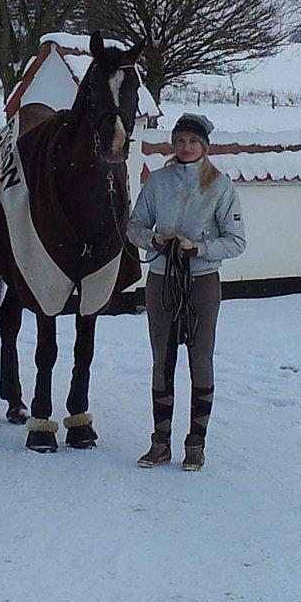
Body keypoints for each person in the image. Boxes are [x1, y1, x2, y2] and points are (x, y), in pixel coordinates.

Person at [127, 113, 246, 471]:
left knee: (200, 358)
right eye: (180, 140)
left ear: (204, 146)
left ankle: (196, 442)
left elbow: (237, 241)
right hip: (163, 278)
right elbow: (134, 226)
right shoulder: (158, 182)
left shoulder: (220, 187)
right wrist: (155, 239)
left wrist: (200, 248)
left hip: (202, 282)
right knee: (162, 359)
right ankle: (160, 441)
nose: (186, 146)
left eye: (193, 141)